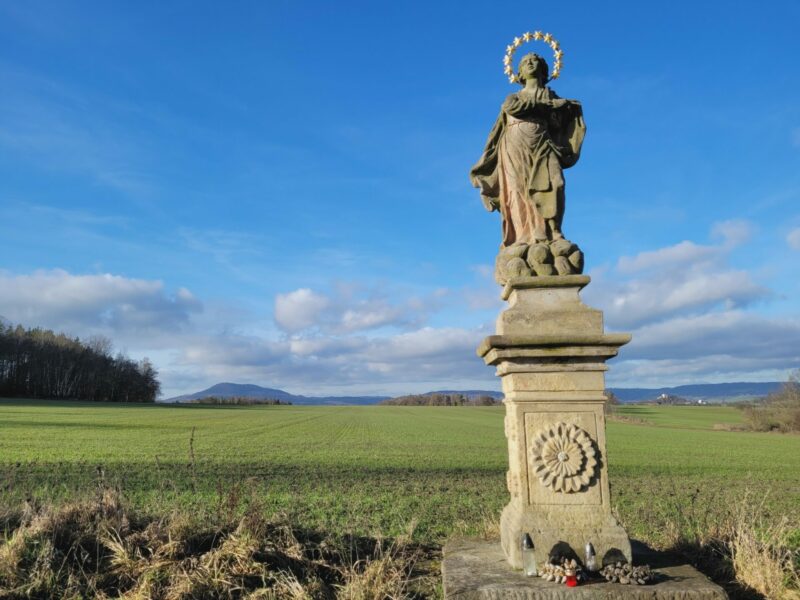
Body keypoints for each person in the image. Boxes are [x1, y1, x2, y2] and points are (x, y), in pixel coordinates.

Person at [470, 53, 585, 247]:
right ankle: (522, 237)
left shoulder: (552, 96)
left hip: (543, 142)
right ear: (520, 73)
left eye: (534, 60)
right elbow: (513, 108)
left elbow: (557, 125)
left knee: (555, 183)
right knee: (518, 190)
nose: (530, 63)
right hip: (514, 146)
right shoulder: (514, 97)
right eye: (525, 62)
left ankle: (553, 232)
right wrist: (548, 106)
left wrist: (565, 110)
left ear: (543, 69)